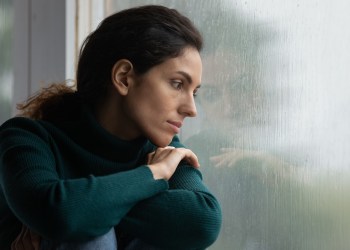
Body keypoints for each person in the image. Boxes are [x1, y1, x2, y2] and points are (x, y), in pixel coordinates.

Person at [0, 5, 222, 250]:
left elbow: (203, 222)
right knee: (90, 235)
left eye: (195, 92)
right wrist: (154, 174)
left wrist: (77, 204)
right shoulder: (27, 139)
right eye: (177, 84)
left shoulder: (167, 150)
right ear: (124, 77)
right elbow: (59, 213)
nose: (192, 109)